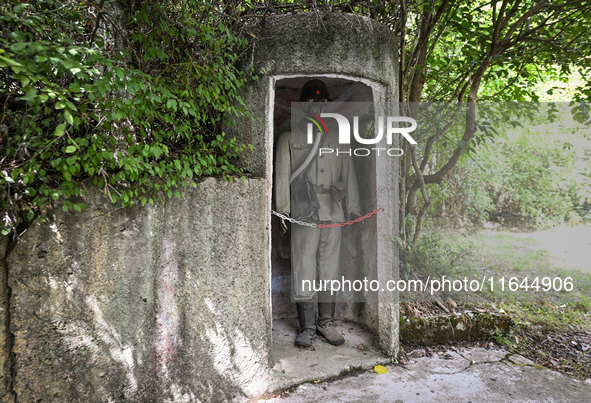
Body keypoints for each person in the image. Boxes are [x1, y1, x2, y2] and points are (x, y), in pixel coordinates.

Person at [274, 79, 361, 347]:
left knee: (330, 269)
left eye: (323, 103)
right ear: (305, 106)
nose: (319, 107)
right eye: (313, 102)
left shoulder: (337, 138)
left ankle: (326, 323)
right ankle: (307, 327)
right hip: (303, 213)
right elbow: (282, 176)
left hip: (333, 213)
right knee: (303, 268)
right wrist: (283, 212)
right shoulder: (289, 138)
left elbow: (349, 175)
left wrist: (354, 209)